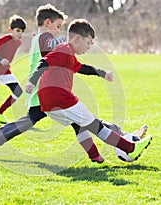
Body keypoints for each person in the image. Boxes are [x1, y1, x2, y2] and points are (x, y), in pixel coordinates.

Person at [0, 4, 147, 164]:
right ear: (48, 23)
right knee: (85, 121)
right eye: (58, 26)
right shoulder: (46, 38)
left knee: (72, 122)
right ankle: (125, 140)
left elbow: (71, 64)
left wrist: (97, 70)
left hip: (42, 91)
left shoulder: (39, 39)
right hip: (44, 91)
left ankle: (97, 155)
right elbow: (49, 59)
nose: (59, 31)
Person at [25, 19, 152, 161]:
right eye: (88, 42)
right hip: (59, 98)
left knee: (79, 125)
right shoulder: (64, 50)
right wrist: (32, 81)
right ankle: (131, 148)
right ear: (77, 38)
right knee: (95, 125)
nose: (89, 47)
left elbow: (83, 68)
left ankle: (96, 158)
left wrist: (102, 73)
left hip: (48, 103)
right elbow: (43, 62)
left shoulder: (68, 54)